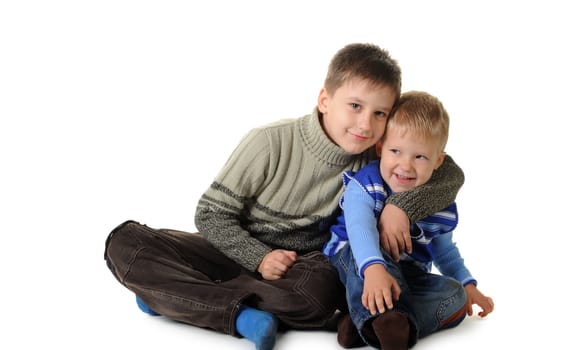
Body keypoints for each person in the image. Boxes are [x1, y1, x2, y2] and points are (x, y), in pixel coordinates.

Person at [103, 43, 465, 350]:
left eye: (380, 113)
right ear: (325, 99)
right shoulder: (269, 142)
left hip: (300, 267)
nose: (365, 124)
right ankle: (232, 312)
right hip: (230, 250)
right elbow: (210, 214)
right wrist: (259, 258)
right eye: (354, 106)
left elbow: (449, 172)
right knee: (126, 243)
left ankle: (175, 297)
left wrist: (400, 207)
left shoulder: (375, 154)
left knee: (318, 296)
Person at [323, 91, 494, 350]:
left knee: (455, 296)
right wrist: (374, 268)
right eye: (396, 151)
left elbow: (445, 252)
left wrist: (467, 283)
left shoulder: (438, 203)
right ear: (380, 148)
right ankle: (382, 321)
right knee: (370, 246)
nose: (405, 166)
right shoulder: (366, 184)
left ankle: (367, 326)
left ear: (438, 161)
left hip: (406, 275)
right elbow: (358, 228)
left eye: (420, 157)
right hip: (353, 261)